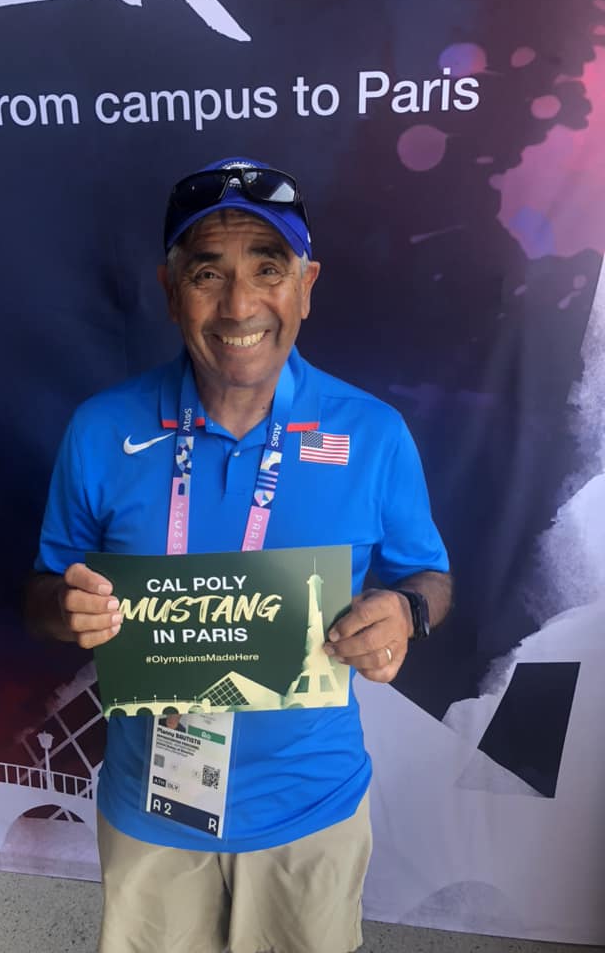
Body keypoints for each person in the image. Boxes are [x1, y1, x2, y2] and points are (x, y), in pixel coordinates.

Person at [25, 156, 452, 953]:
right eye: (207, 273)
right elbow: (43, 590)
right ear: (167, 286)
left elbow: (429, 576)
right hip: (152, 808)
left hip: (308, 807)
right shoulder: (99, 429)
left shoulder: (373, 433)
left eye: (268, 269)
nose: (239, 304)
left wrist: (407, 610)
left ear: (307, 283)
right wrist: (64, 607)